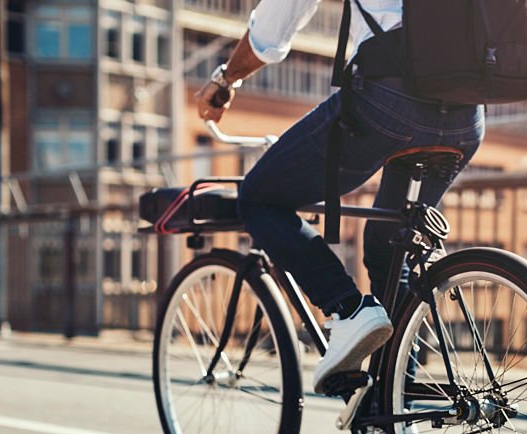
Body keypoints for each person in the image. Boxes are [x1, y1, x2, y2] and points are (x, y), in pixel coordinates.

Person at [195, 0, 484, 394]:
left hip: (389, 99)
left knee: (260, 197)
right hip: (468, 116)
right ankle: (392, 406)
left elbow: (272, 29)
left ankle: (347, 310)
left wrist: (226, 80)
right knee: (390, 248)